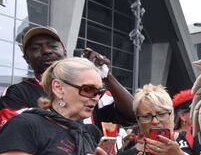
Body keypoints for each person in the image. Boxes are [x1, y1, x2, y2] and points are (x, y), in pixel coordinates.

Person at [0, 26, 134, 125]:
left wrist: (107, 76)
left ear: (64, 51)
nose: (46, 51)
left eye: (53, 46)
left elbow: (134, 114)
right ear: (26, 59)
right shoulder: (18, 92)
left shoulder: (91, 89)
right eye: (36, 48)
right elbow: (14, 129)